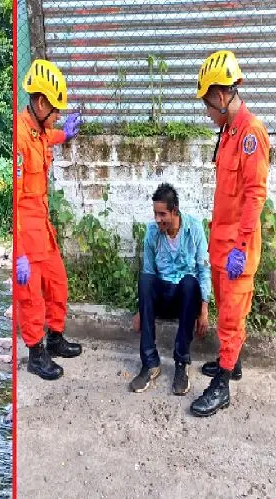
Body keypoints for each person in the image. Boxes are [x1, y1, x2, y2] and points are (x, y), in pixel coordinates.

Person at [189, 50, 269, 417]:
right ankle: (231, 363)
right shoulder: (228, 131)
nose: (206, 110)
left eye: (207, 102)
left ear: (222, 96)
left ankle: (221, 386)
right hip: (222, 241)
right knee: (225, 309)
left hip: (238, 245)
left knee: (232, 315)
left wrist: (240, 245)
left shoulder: (250, 132)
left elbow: (255, 194)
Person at [15, 59, 83, 380]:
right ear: (41, 102)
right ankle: (35, 353)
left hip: (43, 225)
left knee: (58, 283)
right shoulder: (18, 137)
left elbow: (48, 138)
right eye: (56, 110)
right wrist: (18, 253)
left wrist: (65, 133)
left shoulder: (39, 130)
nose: (58, 115)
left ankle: (55, 339)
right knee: (31, 297)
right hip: (26, 235)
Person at [129, 183, 211, 395]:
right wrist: (142, 310)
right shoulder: (152, 232)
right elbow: (148, 270)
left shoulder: (194, 229)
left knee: (190, 282)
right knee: (145, 278)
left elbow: (203, 269)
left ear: (175, 211)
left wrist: (204, 309)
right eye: (155, 213)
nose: (157, 219)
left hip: (185, 301)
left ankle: (181, 363)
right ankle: (150, 363)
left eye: (162, 214)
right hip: (163, 298)